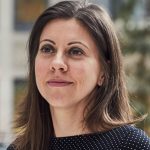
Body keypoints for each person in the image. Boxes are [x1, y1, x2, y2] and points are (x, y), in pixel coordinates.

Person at [7, 1, 150, 150]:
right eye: (47, 49)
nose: (57, 63)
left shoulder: (131, 145)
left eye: (76, 51)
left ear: (104, 71)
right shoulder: (19, 148)